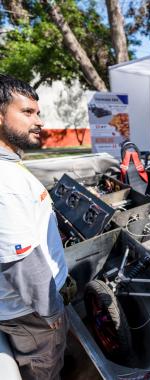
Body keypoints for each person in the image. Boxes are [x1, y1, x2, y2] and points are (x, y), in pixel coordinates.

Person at [0, 74, 69, 379]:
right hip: (32, 317)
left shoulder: (10, 166)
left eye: (37, 112)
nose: (39, 120)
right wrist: (51, 310)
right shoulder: (6, 181)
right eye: (27, 112)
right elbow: (22, 262)